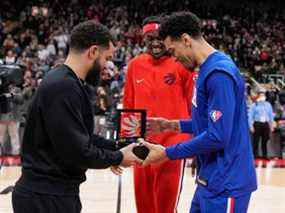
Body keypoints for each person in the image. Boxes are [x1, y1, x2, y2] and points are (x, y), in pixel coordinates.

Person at [12, 21, 142, 213]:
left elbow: (83, 136)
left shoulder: (67, 81)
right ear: (93, 52)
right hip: (45, 198)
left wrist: (118, 147)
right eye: (107, 58)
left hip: (54, 194)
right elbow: (78, 151)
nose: (107, 67)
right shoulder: (63, 87)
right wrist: (118, 157)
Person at [142, 12, 257, 213]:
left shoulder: (218, 74)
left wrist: (167, 153)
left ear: (186, 40)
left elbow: (217, 136)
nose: (174, 59)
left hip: (226, 183)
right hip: (209, 179)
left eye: (173, 50)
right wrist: (172, 125)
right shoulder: (205, 69)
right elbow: (207, 123)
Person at [117, 16, 195, 213]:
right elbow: (129, 105)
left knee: (165, 207)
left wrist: (193, 144)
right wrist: (126, 144)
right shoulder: (135, 65)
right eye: (149, 38)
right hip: (141, 145)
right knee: (144, 205)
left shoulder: (181, 64)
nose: (154, 42)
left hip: (172, 146)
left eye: (159, 37)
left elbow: (192, 107)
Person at [248, 88, 274, 159]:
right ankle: (254, 155)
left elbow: (271, 115)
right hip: (257, 124)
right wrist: (251, 126)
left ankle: (265, 155)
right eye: (260, 95)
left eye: (263, 95)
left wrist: (271, 126)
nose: (262, 96)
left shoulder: (268, 105)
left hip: (265, 124)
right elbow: (250, 116)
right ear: (258, 96)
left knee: (265, 141)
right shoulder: (254, 105)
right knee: (256, 141)